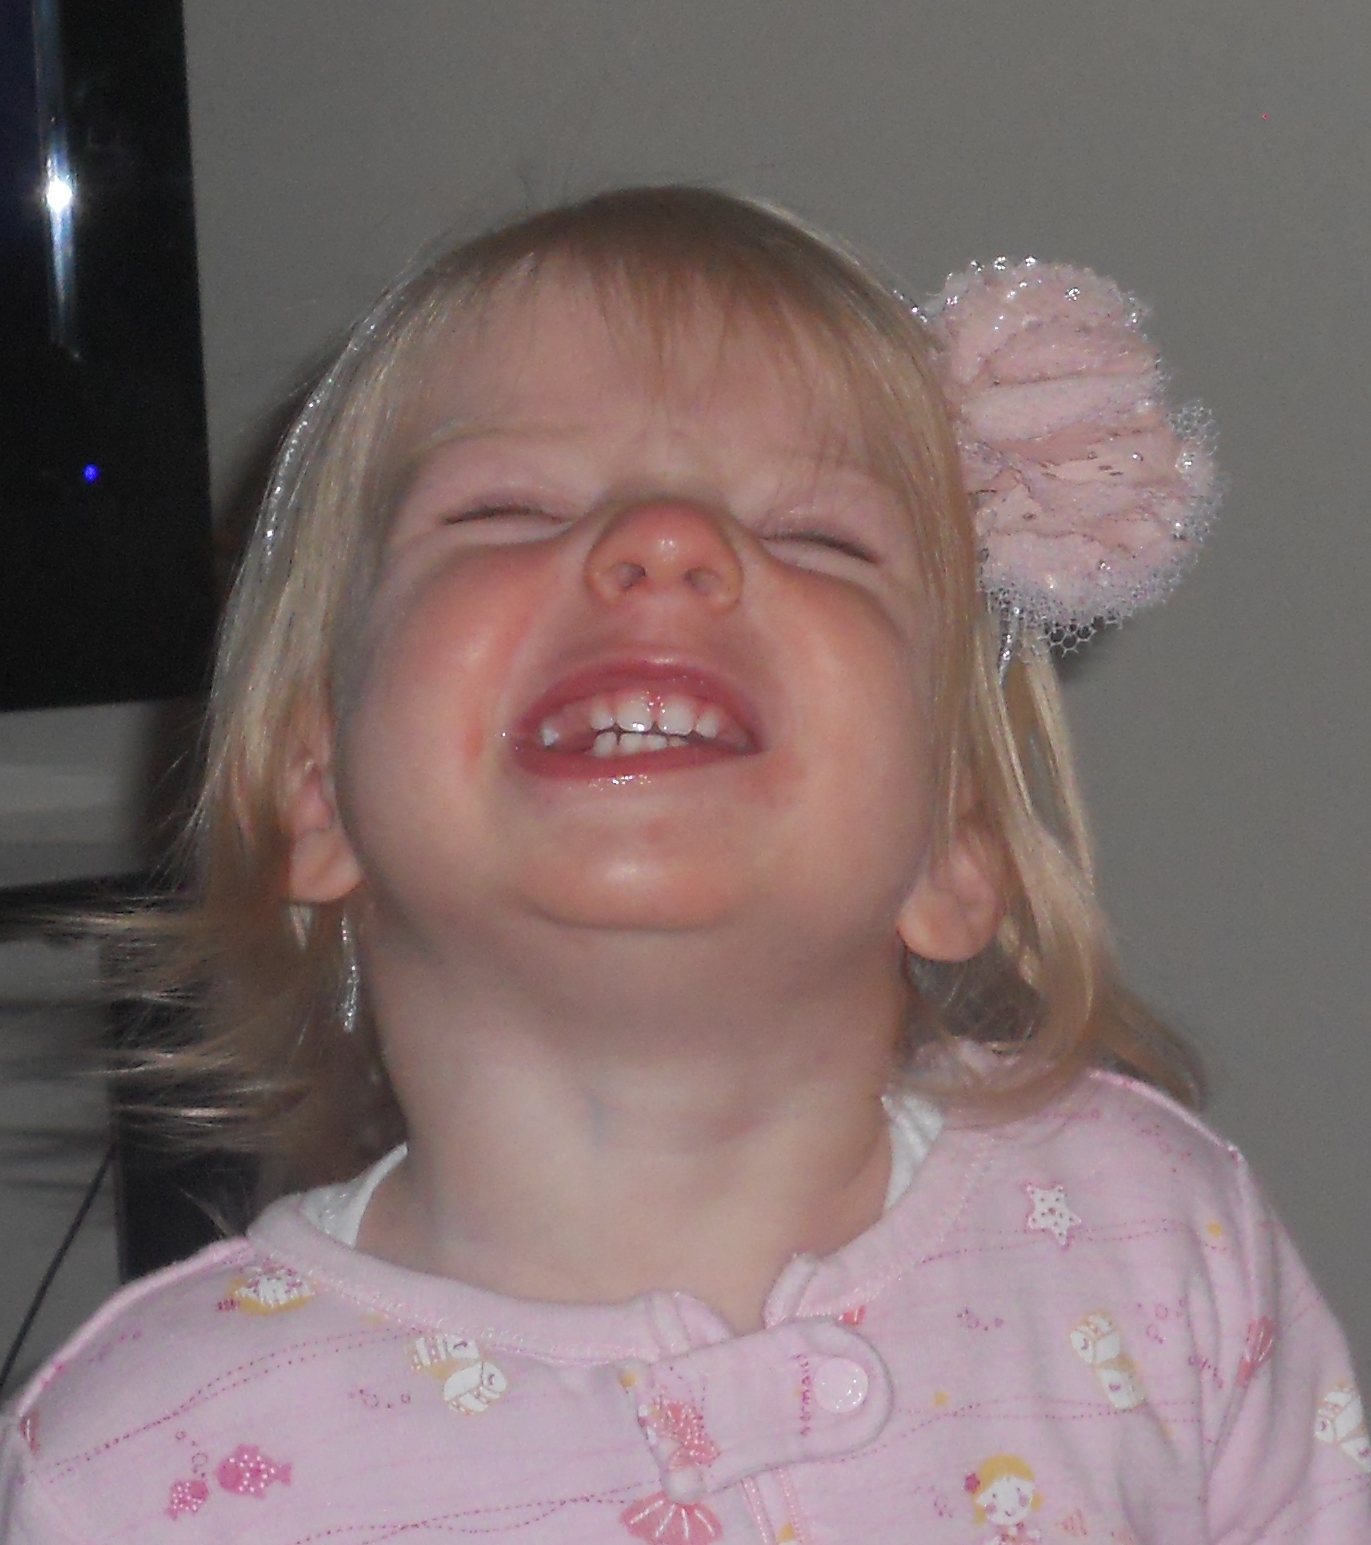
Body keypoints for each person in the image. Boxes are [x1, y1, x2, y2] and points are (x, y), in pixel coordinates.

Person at [1, 187, 1366, 1544]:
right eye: (508, 509)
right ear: (318, 791)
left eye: (818, 535)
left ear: (958, 841)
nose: (665, 540)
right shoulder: (141, 1467)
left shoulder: (1148, 1240)